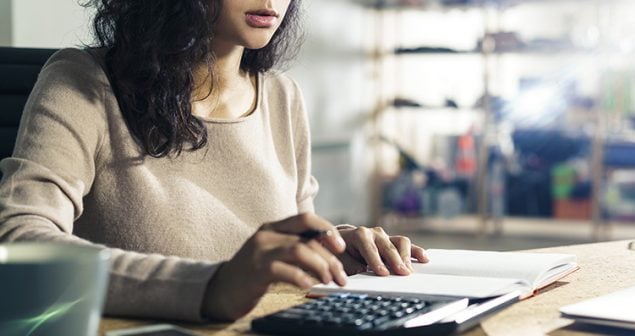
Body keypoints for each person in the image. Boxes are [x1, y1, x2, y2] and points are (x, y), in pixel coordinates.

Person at [0, 0, 429, 322]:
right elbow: (20, 239)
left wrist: (335, 246)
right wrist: (209, 288)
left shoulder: (283, 97)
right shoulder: (83, 81)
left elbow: (286, 244)